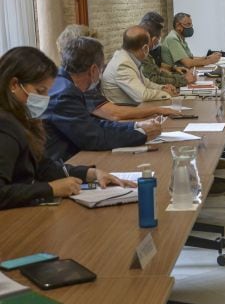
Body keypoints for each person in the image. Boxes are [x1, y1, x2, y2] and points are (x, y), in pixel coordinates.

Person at [0, 46, 134, 210]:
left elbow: (42, 167)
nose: (44, 99)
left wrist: (90, 174)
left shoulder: (20, 118)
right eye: (40, 91)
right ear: (14, 84)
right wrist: (51, 189)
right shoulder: (4, 127)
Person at [41, 37, 162, 162]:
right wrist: (142, 134)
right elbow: (92, 138)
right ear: (94, 70)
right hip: (63, 163)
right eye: (101, 69)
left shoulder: (65, 83)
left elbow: (92, 124)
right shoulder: (64, 93)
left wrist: (136, 125)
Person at [55, 24, 180, 121]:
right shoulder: (71, 87)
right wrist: (156, 110)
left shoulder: (78, 82)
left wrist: (163, 89)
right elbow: (113, 114)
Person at [101, 26, 176, 105]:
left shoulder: (130, 58)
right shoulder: (123, 64)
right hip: (126, 114)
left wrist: (163, 88)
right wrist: (166, 94)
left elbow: (145, 83)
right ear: (145, 48)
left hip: (134, 109)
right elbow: (142, 96)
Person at [139, 19, 196, 88]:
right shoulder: (142, 56)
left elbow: (158, 72)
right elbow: (155, 80)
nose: (160, 41)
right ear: (154, 39)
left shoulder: (146, 54)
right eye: (159, 37)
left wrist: (180, 76)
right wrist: (184, 80)